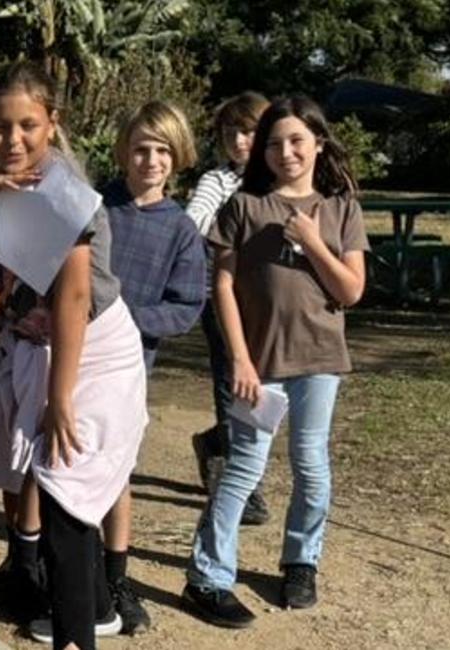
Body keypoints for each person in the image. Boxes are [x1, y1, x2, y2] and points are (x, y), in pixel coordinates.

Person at [0, 61, 150, 649]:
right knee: (55, 492)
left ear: (52, 123)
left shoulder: (67, 196)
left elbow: (75, 297)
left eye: (27, 126)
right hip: (36, 347)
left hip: (92, 352)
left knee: (66, 493)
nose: (12, 140)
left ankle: (79, 629)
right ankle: (81, 619)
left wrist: (60, 398)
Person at [182, 96, 369, 629]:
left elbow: (351, 290)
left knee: (312, 465)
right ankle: (208, 576)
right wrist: (239, 359)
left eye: (296, 141)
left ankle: (300, 561)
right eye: (273, 143)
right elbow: (222, 285)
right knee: (243, 469)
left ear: (318, 144)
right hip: (258, 365)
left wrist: (311, 242)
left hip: (320, 361)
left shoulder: (341, 208)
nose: (285, 152)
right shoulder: (243, 206)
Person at [94, 100, 208, 634]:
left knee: (117, 475)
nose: (151, 160)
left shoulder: (181, 229)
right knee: (60, 466)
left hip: (129, 368)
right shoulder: (95, 208)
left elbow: (187, 306)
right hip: (70, 358)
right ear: (123, 152)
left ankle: (115, 576)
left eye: (162, 150)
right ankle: (58, 568)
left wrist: (127, 318)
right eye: (141, 149)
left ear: (177, 156)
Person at [186, 92, 273, 525]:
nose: (241, 141)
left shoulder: (282, 178)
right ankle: (248, 485)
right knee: (233, 382)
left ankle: (219, 445)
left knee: (267, 385)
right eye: (231, 132)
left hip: (272, 302)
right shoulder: (217, 181)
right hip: (221, 297)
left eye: (250, 131)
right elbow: (195, 220)